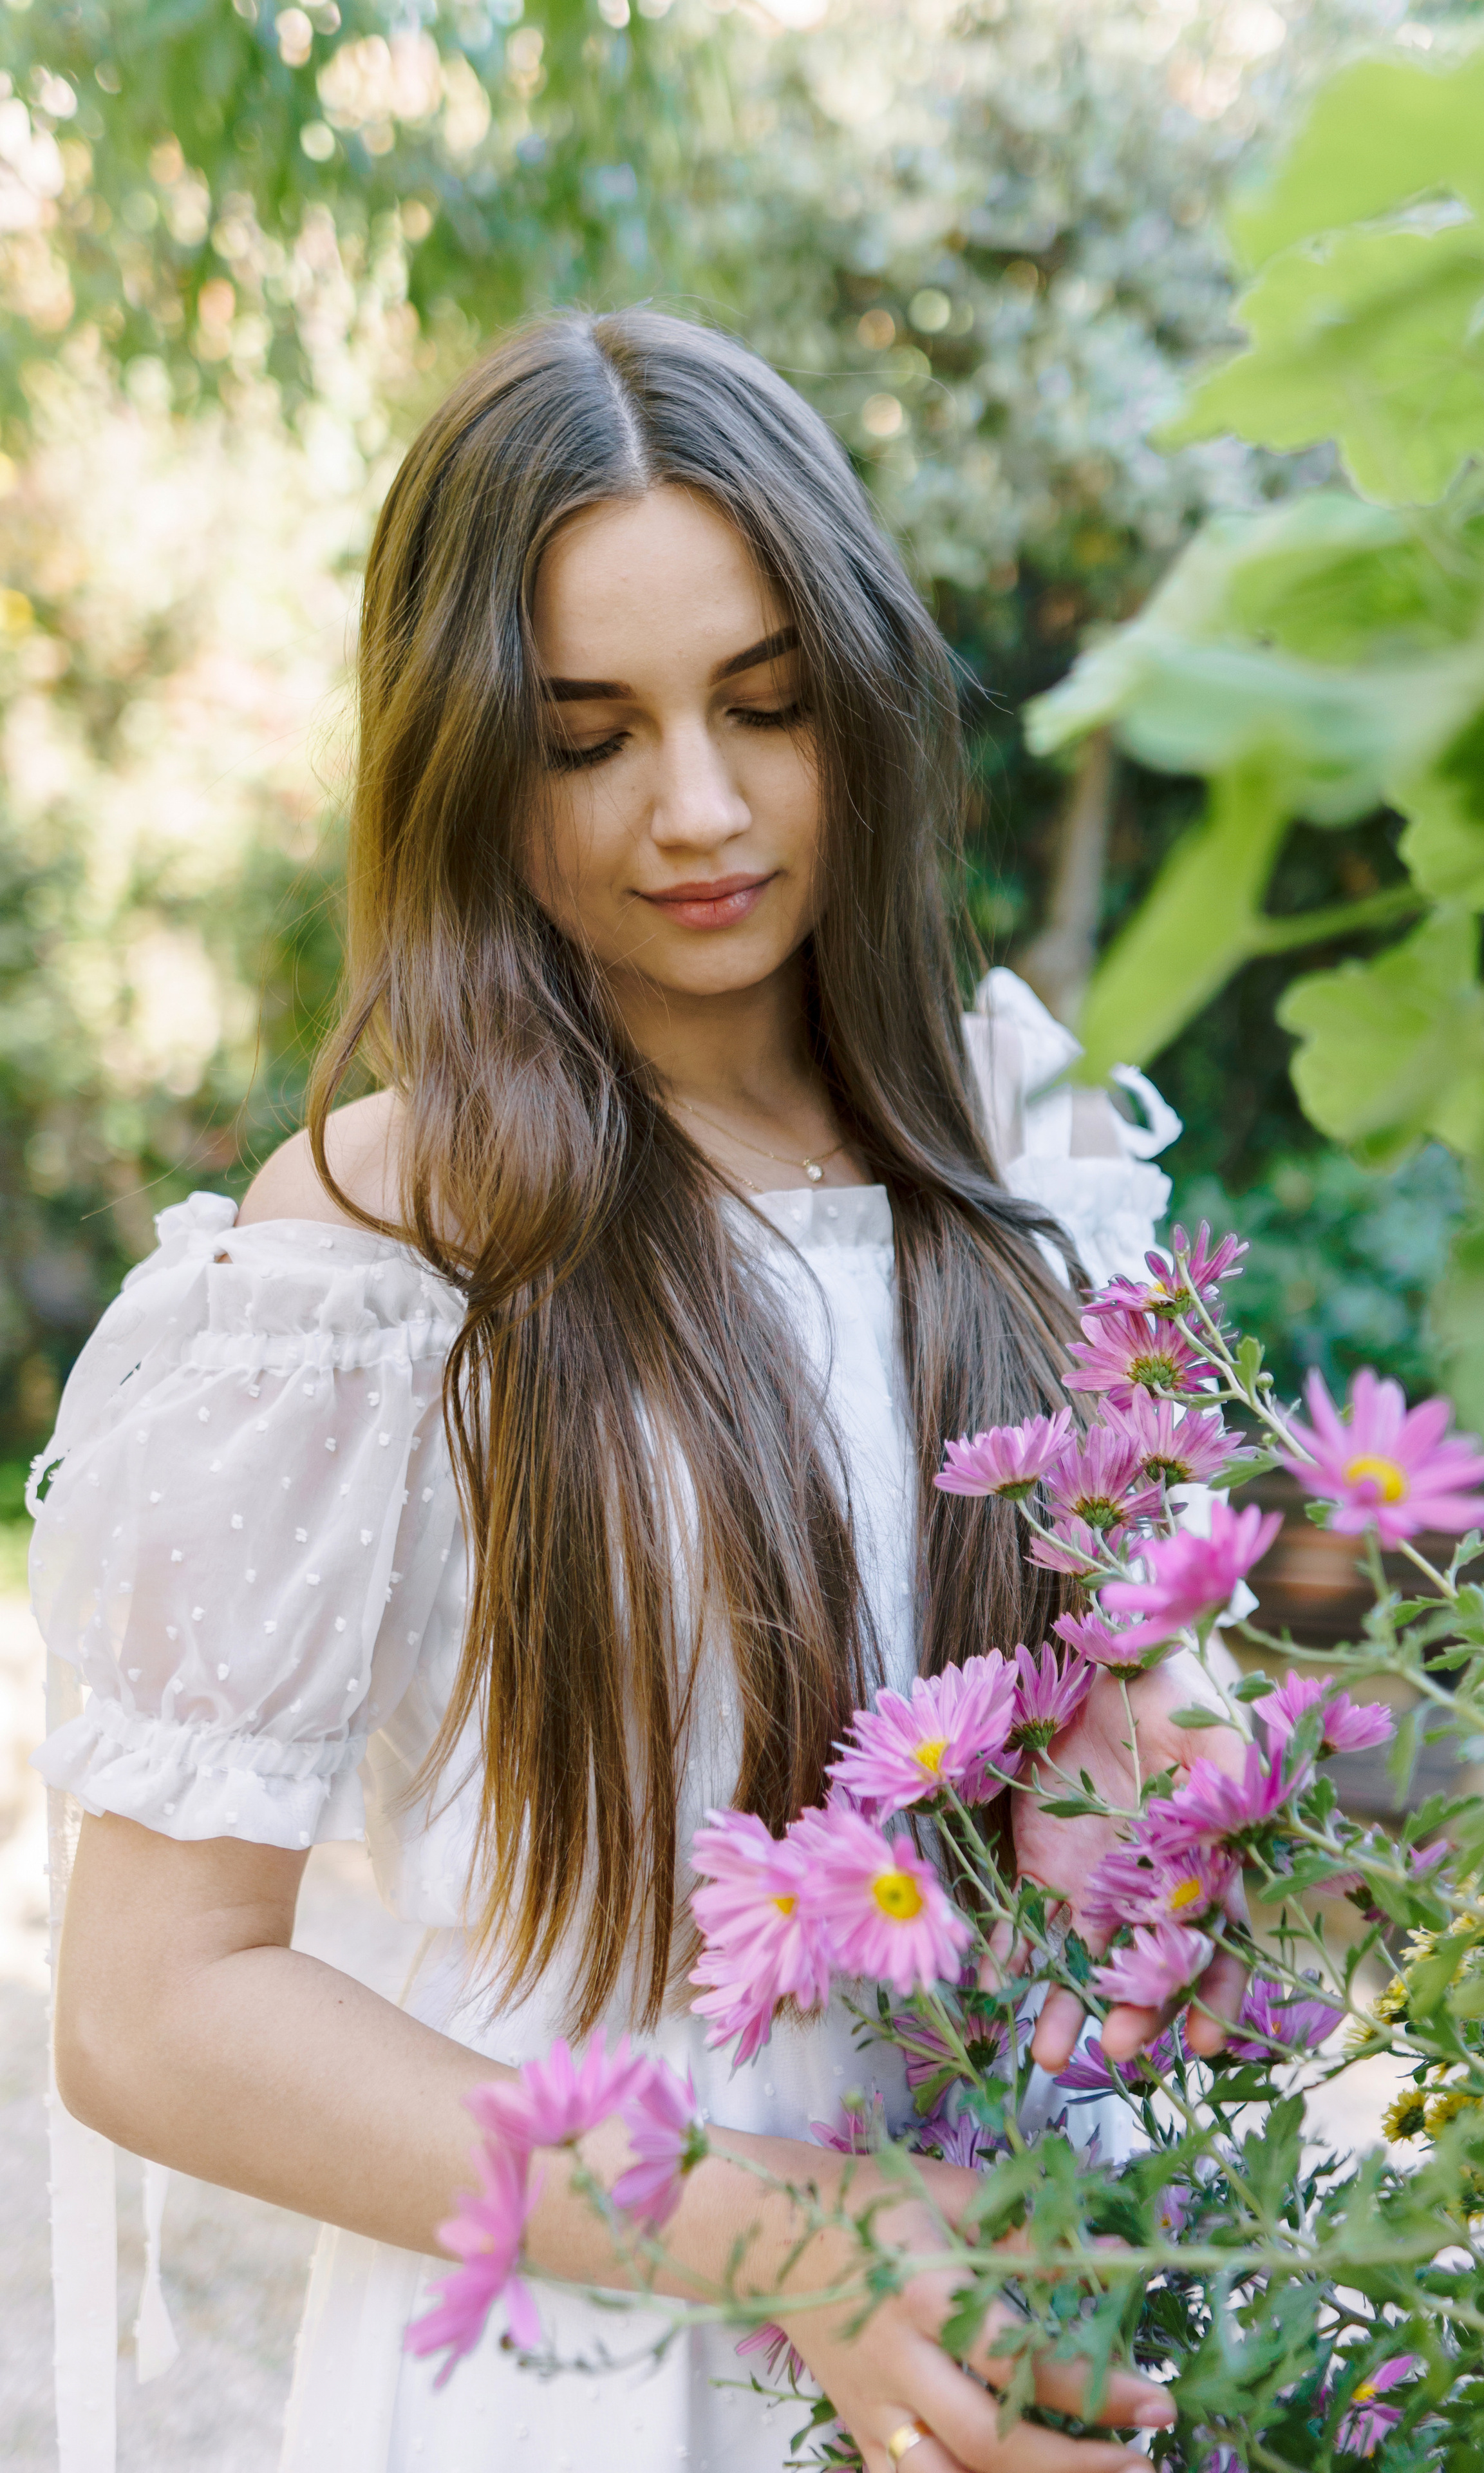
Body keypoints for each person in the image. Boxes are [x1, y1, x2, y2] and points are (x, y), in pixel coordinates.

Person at [30, 310, 1245, 2473]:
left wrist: (1169, 1770)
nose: (699, 808)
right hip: (587, 2361)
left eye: (765, 706)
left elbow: (1139, 1683)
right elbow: (153, 2008)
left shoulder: (1026, 1144)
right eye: (588, 739)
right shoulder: (376, 1249)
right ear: (465, 766)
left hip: (1029, 2290)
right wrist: (784, 2240)